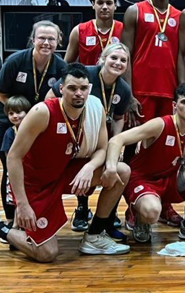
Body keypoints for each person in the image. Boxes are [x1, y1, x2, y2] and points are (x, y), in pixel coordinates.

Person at [0, 63, 130, 262]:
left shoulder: (95, 108)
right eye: (72, 88)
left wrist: (89, 166)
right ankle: (4, 229)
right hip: (35, 183)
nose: (79, 93)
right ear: (61, 89)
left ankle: (94, 235)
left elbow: (103, 148)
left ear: (89, 88)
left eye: (83, 88)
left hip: (64, 172)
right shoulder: (42, 112)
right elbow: (13, 157)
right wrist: (23, 204)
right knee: (47, 254)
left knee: (120, 170)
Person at [105, 83, 185, 243]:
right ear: (174, 105)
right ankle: (141, 220)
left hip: (170, 178)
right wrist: (111, 167)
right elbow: (118, 139)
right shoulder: (160, 124)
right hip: (144, 179)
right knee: (152, 212)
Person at [47, 43, 131, 238]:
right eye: (113, 58)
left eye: (123, 60)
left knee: (116, 167)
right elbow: (51, 96)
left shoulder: (123, 89)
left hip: (98, 132)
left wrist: (114, 144)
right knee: (77, 164)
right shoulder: (86, 75)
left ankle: (107, 218)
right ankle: (82, 210)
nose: (117, 63)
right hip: (71, 131)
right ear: (102, 59)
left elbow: (119, 118)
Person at [121, 0, 184, 225]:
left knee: (165, 152)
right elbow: (125, 54)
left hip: (168, 93)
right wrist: (129, 95)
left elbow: (182, 57)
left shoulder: (181, 16)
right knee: (132, 148)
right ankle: (132, 206)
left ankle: (165, 203)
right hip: (141, 92)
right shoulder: (135, 11)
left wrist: (179, 96)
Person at [0, 20, 67, 218]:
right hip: (11, 122)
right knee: (11, 168)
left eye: (51, 39)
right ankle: (11, 217)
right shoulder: (15, 61)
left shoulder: (62, 68)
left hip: (41, 124)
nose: (46, 43)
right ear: (33, 39)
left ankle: (34, 211)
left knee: (36, 169)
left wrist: (34, 120)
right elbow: (1, 93)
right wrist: (17, 114)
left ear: (58, 42)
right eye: (42, 38)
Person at [64, 0, 123, 65]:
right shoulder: (79, 30)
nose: (105, 7)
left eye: (109, 3)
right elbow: (67, 64)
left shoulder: (124, 30)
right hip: (87, 77)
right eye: (100, 3)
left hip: (115, 77)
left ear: (115, 6)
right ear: (93, 4)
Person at [0, 96, 32, 230]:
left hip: (30, 173)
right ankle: (14, 229)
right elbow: (9, 158)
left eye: (19, 112)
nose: (15, 116)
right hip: (15, 175)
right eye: (11, 113)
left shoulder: (33, 130)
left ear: (27, 112)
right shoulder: (9, 133)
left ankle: (22, 228)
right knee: (16, 201)